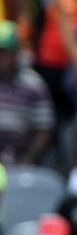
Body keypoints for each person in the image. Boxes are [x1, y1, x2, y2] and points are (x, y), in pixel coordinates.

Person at [0, 19, 54, 165]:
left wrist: (28, 157)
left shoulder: (34, 84)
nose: (2, 57)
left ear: (16, 52)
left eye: (6, 52)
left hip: (20, 158)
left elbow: (44, 127)